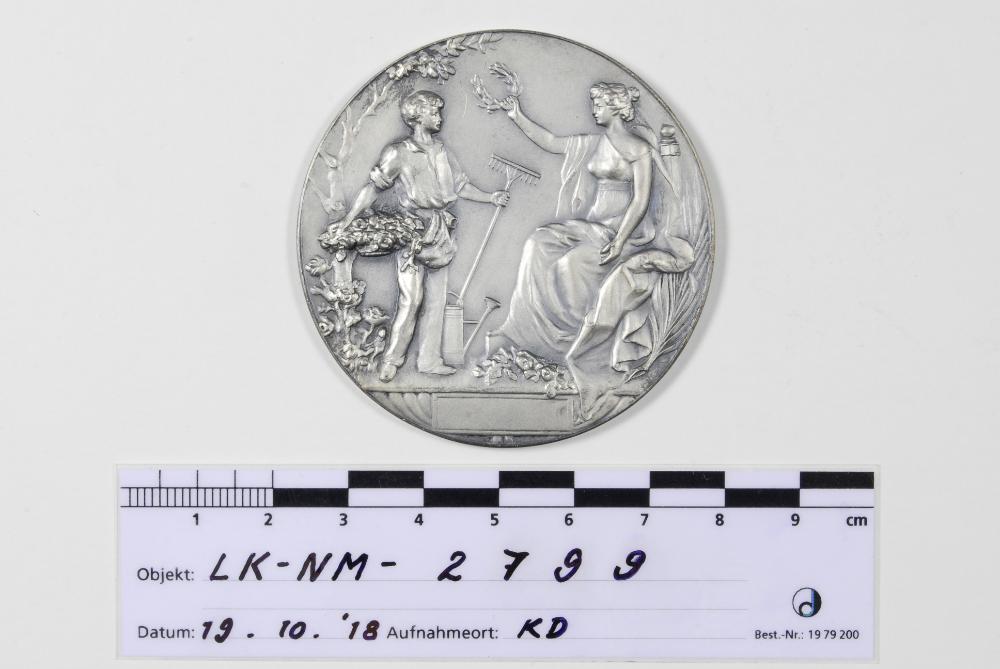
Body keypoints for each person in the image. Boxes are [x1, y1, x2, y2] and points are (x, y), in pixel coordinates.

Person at [488, 83, 694, 416]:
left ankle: (572, 336)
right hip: (591, 226)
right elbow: (551, 142)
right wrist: (516, 115)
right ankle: (524, 326)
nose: (594, 109)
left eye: (599, 104)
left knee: (574, 263)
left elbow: (640, 200)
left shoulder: (639, 150)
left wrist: (620, 240)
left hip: (624, 231)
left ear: (616, 108)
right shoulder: (592, 143)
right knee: (537, 242)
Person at [339, 90, 509, 382]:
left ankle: (429, 360)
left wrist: (490, 197)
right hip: (412, 232)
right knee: (411, 299)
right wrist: (349, 219)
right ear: (417, 117)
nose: (440, 117)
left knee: (436, 301)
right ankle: (391, 361)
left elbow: (460, 186)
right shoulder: (398, 152)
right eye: (434, 112)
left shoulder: (442, 151)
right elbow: (373, 188)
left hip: (440, 232)